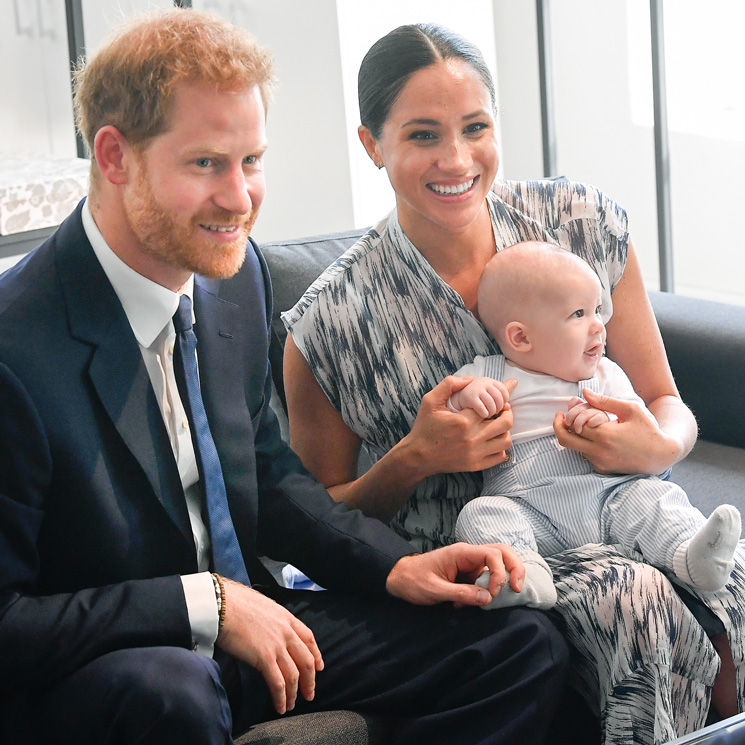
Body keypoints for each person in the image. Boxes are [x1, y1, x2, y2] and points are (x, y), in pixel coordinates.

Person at [0, 9, 574, 745]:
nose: (239, 199)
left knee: (514, 644)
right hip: (112, 669)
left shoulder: (233, 281)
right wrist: (203, 603)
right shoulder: (17, 353)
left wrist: (397, 565)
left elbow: (267, 477)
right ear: (114, 156)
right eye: (206, 163)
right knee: (170, 692)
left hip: (252, 622)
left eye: (252, 161)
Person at [282, 22, 745, 743]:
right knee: (632, 593)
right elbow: (309, 524)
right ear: (372, 144)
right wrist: (416, 456)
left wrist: (652, 448)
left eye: (474, 127)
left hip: (622, 500)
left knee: (731, 569)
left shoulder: (579, 225)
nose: (457, 159)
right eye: (423, 135)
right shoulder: (331, 323)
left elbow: (665, 400)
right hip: (491, 557)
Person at [447, 240, 741, 610]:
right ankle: (526, 575)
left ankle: (690, 555)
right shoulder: (487, 373)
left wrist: (606, 422)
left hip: (611, 498)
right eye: (578, 314)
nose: (599, 326)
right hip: (530, 509)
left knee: (654, 499)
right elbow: (446, 407)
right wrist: (470, 397)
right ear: (520, 337)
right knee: (480, 514)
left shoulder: (605, 375)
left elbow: (642, 428)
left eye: (599, 310)